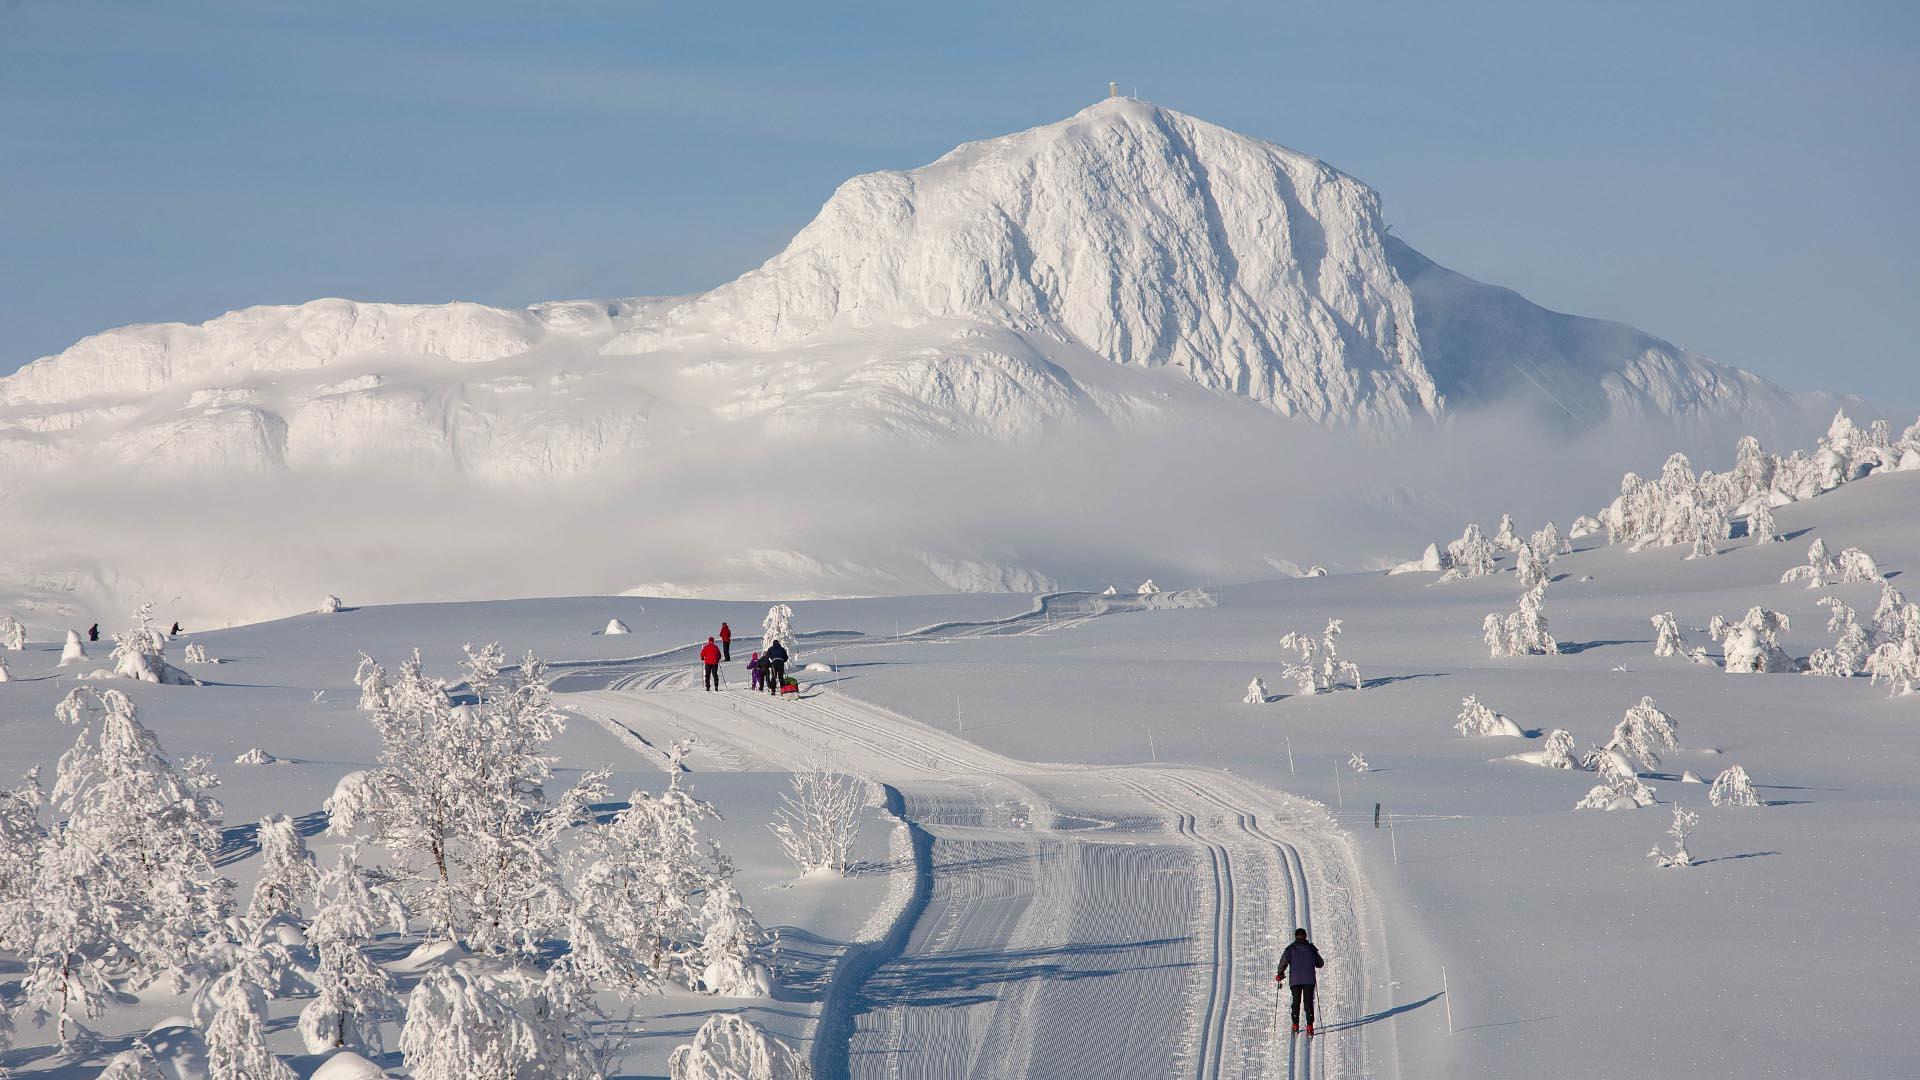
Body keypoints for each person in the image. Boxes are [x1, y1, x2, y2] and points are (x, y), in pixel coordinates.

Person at [1277, 928, 1325, 1035]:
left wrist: (1280, 973)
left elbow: (1283, 963)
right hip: (1309, 980)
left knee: (1296, 1002)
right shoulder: (1311, 949)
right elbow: (1320, 963)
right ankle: (1309, 1026)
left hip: (1295, 980)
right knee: (1308, 1003)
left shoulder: (1290, 949)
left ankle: (1295, 1025)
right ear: (1306, 936)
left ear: (1295, 936)